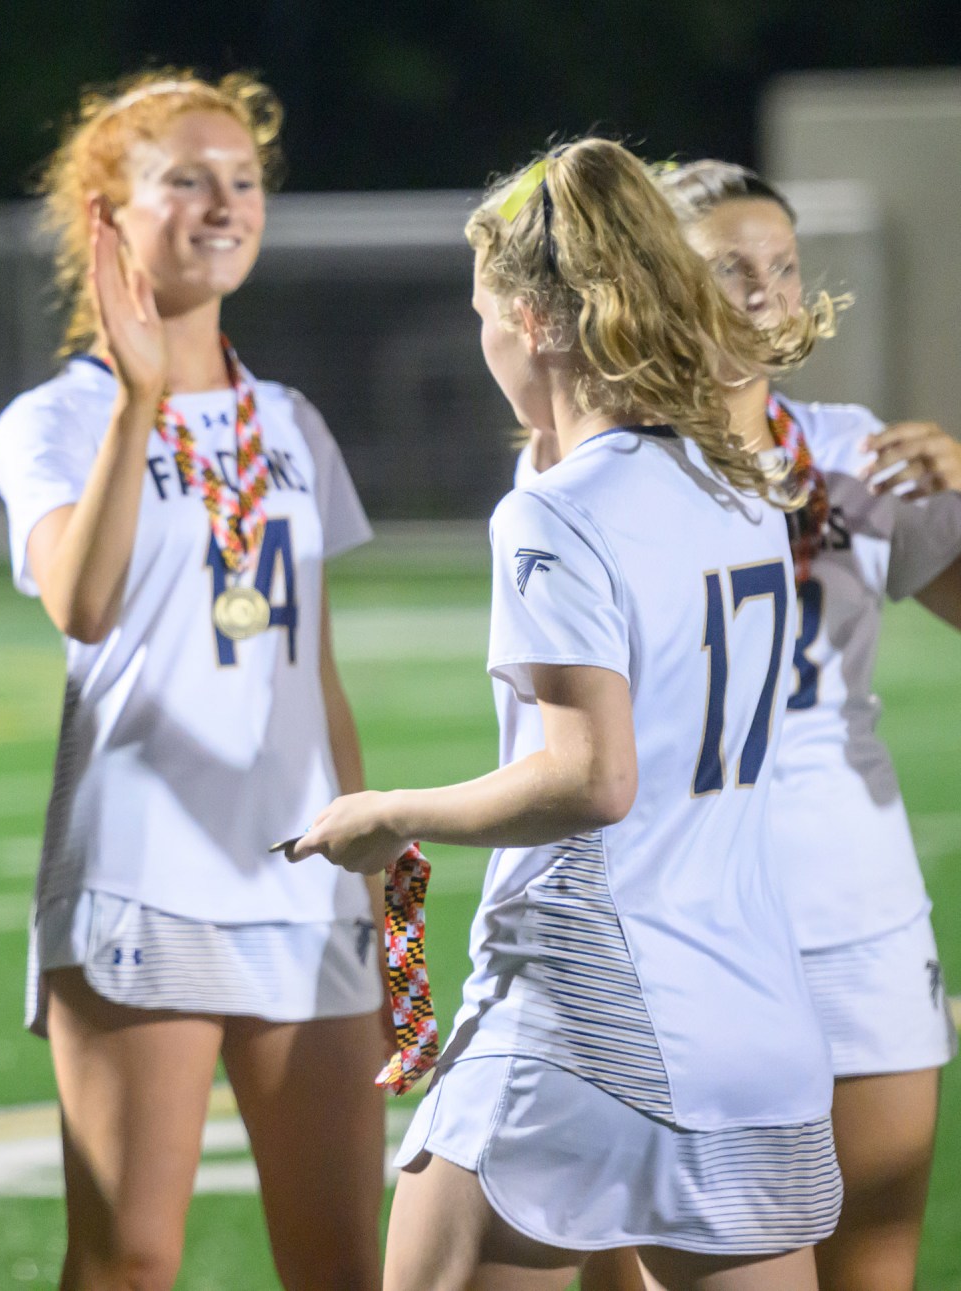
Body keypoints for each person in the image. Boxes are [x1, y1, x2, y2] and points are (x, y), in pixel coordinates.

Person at [286, 138, 843, 1290]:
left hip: (585, 1002)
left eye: (482, 308)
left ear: (532, 324)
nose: (477, 333)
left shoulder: (557, 514)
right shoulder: (737, 479)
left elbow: (591, 778)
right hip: (754, 1014)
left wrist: (388, 813)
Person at [0, 70, 386, 1290]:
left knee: (338, 1258)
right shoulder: (54, 418)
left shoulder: (291, 420)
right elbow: (83, 603)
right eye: (187, 180)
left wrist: (365, 854)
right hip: (141, 878)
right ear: (106, 213)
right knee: (129, 1260)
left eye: (243, 179)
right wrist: (142, 399)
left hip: (299, 877)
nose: (224, 203)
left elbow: (307, 663)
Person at [578, 161, 961, 1291]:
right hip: (675, 899)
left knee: (868, 1261)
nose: (763, 289)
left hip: (853, 894)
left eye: (781, 266)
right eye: (726, 266)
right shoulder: (608, 457)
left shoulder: (845, 445)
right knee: (651, 1258)